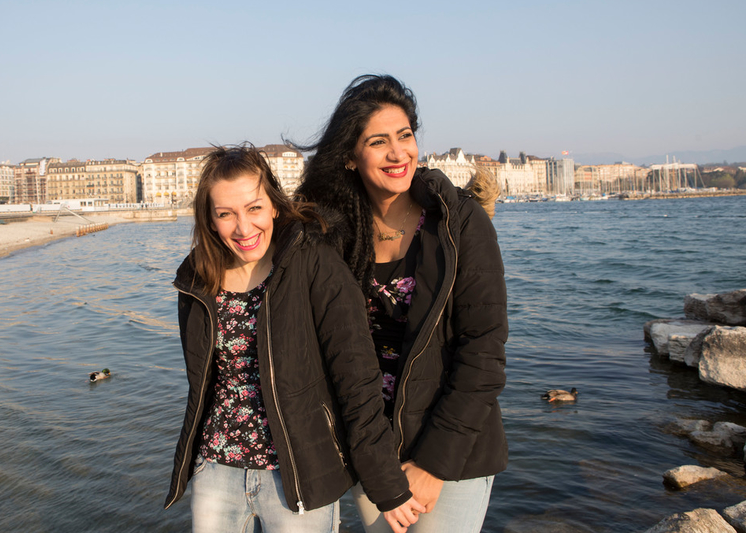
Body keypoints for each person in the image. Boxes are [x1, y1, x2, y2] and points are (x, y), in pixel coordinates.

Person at [164, 145, 426, 533]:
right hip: (215, 467)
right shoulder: (197, 279)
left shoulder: (313, 264)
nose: (243, 227)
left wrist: (386, 484)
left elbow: (356, 378)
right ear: (210, 220)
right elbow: (203, 383)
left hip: (299, 473)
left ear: (273, 204)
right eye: (225, 214)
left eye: (254, 208)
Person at [295, 75, 508, 533]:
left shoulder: (459, 222)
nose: (398, 153)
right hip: (370, 450)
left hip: (451, 449)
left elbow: (483, 353)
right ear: (351, 158)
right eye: (378, 141)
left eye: (405, 136)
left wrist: (432, 466)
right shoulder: (332, 237)